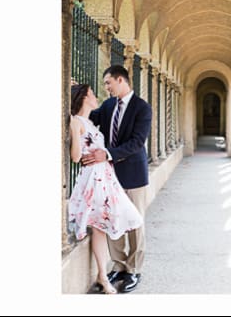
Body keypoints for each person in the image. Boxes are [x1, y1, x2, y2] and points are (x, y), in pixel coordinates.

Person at [82, 65, 152, 293]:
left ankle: (133, 270)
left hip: (133, 173)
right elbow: (89, 118)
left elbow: (137, 142)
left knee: (135, 222)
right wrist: (76, 94)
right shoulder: (109, 105)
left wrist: (108, 154)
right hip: (110, 176)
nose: (106, 88)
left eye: (108, 83)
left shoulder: (142, 108)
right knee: (113, 219)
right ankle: (119, 266)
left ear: (120, 80)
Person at [68, 84, 144, 294]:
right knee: (101, 226)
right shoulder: (77, 122)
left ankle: (116, 271)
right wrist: (74, 130)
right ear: (83, 98)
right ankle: (107, 274)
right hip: (94, 180)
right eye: (91, 93)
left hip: (106, 178)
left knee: (116, 222)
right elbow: (75, 157)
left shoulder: (91, 122)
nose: (96, 97)